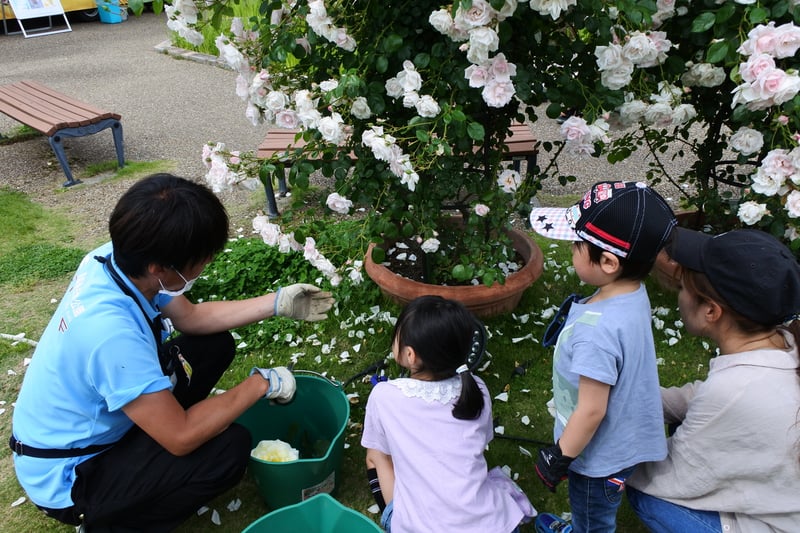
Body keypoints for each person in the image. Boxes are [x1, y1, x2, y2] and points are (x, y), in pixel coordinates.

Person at [9, 173, 334, 531]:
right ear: (159, 268)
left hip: (102, 417)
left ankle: (151, 433)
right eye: (202, 258)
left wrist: (277, 302)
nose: (208, 262)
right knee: (228, 450)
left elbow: (191, 318)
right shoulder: (110, 335)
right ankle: (111, 521)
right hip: (74, 472)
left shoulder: (115, 259)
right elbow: (180, 438)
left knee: (215, 345)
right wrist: (259, 385)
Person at [626, 228, 800, 532]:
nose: (679, 295)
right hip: (784, 500)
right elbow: (700, 398)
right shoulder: (783, 342)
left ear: (710, 310)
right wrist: (628, 398)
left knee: (644, 494)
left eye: (683, 287)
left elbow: (670, 476)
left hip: (775, 524)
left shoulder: (735, 390)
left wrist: (612, 460)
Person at [528, 180, 676, 532]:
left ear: (608, 261)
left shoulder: (596, 331)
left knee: (593, 519)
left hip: (597, 459)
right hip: (623, 440)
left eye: (579, 244)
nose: (572, 250)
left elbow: (592, 409)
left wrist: (560, 456)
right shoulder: (632, 293)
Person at [360, 295, 536, 532]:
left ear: (410, 355)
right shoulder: (477, 388)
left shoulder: (384, 397)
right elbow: (481, 441)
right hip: (492, 524)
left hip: (421, 528)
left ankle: (394, 519)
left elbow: (379, 453)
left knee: (375, 455)